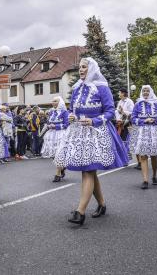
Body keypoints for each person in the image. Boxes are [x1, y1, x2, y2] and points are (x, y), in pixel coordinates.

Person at [54, 58, 129, 225]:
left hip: (97, 132)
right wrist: (70, 116)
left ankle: (80, 212)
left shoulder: (102, 87)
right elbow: (71, 110)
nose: (81, 70)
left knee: (88, 171)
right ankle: (102, 204)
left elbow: (110, 112)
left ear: (92, 69)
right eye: (79, 67)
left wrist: (94, 121)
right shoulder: (77, 88)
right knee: (89, 171)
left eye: (84, 67)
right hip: (79, 133)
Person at [129, 85, 157, 189]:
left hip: (154, 131)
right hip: (142, 132)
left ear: (150, 92)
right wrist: (144, 121)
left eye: (147, 91)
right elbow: (133, 118)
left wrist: (155, 120)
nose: (145, 92)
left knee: (154, 156)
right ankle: (145, 180)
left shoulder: (156, 104)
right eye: (143, 91)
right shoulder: (137, 104)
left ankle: (154, 176)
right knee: (143, 156)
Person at [41, 96, 69, 182]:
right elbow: (48, 122)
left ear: (60, 102)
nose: (53, 102)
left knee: (59, 154)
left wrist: (55, 126)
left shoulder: (64, 112)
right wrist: (48, 126)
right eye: (52, 101)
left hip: (61, 134)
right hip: (51, 135)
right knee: (53, 154)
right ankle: (62, 168)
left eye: (55, 101)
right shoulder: (51, 112)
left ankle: (57, 174)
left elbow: (66, 124)